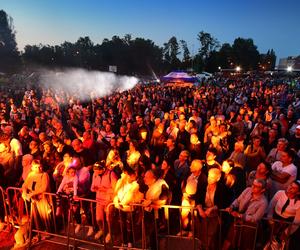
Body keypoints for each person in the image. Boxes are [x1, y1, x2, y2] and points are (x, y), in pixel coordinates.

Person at [222, 179, 268, 250]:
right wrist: (232, 206)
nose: (253, 187)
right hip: (238, 221)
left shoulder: (263, 202)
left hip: (250, 226)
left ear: (262, 190)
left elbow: (255, 218)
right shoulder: (247, 190)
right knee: (229, 239)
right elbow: (238, 200)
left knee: (245, 245)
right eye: (253, 184)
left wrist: (240, 216)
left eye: (256, 186)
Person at [265, 180, 300, 249]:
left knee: (282, 243)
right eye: (290, 185)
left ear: (298, 192)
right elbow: (270, 207)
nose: (290, 188)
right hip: (275, 220)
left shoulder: (299, 203)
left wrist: (286, 232)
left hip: (288, 224)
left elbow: (297, 221)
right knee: (268, 239)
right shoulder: (280, 193)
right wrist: (270, 221)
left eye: (294, 188)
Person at [21, 160, 51, 235]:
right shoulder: (31, 174)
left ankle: (48, 232)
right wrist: (24, 192)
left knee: (45, 216)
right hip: (34, 199)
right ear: (32, 168)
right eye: (36, 167)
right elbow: (24, 185)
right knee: (36, 216)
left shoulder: (44, 175)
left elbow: (43, 188)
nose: (38, 168)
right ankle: (39, 232)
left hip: (42, 199)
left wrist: (32, 194)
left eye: (40, 166)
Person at [90, 161, 117, 241]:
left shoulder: (111, 174)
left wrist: (105, 189)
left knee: (109, 218)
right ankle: (102, 230)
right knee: (99, 218)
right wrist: (94, 188)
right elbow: (92, 187)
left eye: (97, 170)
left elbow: (116, 188)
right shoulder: (95, 175)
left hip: (109, 201)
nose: (95, 172)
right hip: (99, 200)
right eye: (94, 170)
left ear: (102, 169)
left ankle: (110, 233)